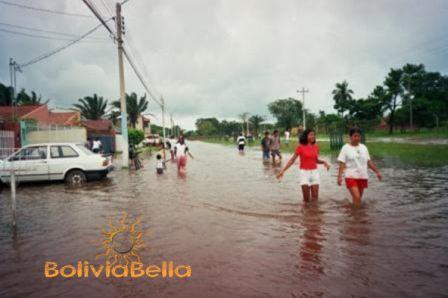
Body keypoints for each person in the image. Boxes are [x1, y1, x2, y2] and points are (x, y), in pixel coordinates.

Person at [277, 128, 330, 202]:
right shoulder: (300, 147)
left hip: (315, 173)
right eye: (311, 135)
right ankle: (306, 213)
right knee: (306, 200)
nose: (313, 136)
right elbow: (292, 160)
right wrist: (283, 171)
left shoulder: (316, 147)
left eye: (314, 135)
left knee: (315, 199)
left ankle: (314, 213)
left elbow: (315, 160)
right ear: (306, 136)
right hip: (304, 174)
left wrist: (324, 162)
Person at [337, 127, 382, 205]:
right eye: (355, 136)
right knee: (357, 197)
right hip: (350, 176)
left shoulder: (364, 148)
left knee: (358, 200)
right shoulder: (345, 148)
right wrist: (339, 176)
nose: (357, 138)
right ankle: (356, 216)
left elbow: (369, 162)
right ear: (350, 137)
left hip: (362, 176)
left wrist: (377, 172)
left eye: (359, 136)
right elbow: (342, 163)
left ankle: (355, 214)